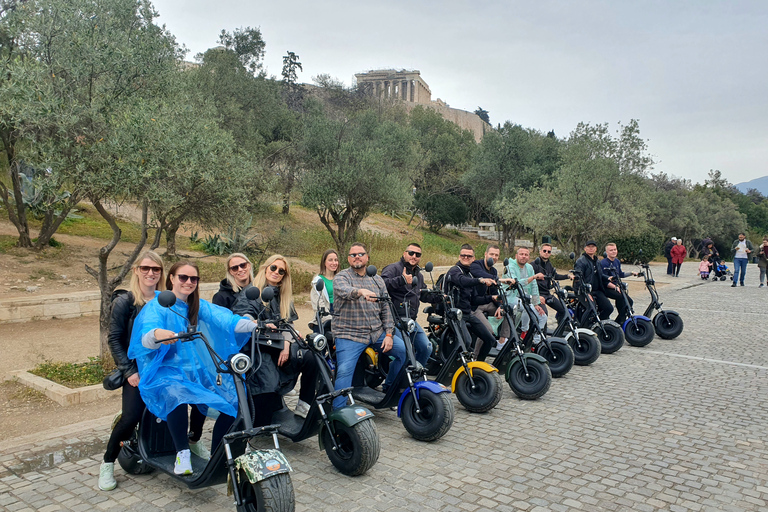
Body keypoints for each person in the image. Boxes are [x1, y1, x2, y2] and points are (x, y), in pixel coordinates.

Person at [128, 261, 256, 476]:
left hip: (196, 370)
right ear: (171, 278)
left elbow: (225, 319)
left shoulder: (198, 305)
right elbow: (147, 334)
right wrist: (159, 334)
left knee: (233, 398)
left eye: (193, 279)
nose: (189, 282)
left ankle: (220, 455)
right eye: (183, 277)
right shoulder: (159, 304)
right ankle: (182, 452)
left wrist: (255, 324)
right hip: (165, 369)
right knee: (176, 393)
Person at [99, 251, 165, 491]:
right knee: (131, 416)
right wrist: (128, 371)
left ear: (161, 273)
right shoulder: (125, 302)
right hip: (136, 371)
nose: (150, 273)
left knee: (179, 406)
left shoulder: (165, 300)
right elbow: (115, 339)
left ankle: (184, 448)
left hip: (162, 368)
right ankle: (107, 463)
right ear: (136, 270)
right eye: (145, 268)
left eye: (155, 269)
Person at [233, 255, 319, 422]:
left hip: (280, 344)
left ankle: (304, 404)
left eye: (281, 271)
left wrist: (286, 344)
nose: (276, 272)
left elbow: (289, 323)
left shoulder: (283, 296)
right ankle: (261, 419)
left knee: (311, 356)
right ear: (266, 268)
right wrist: (258, 323)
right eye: (273, 268)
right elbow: (244, 317)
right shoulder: (252, 292)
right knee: (268, 383)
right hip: (258, 346)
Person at [332, 242, 407, 409]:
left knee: (403, 351)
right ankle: (339, 412)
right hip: (349, 334)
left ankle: (388, 389)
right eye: (353, 255)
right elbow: (344, 290)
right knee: (344, 370)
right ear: (348, 259)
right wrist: (360, 291)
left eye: (360, 254)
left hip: (376, 333)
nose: (357, 257)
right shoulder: (342, 277)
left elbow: (386, 308)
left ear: (367, 257)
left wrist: (388, 334)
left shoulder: (377, 279)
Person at [444, 244, 499, 361]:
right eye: (463, 255)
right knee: (467, 341)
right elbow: (462, 281)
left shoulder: (470, 274)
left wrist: (492, 298)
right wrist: (480, 280)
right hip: (454, 315)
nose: (466, 257)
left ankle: (478, 364)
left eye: (469, 256)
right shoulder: (454, 271)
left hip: (467, 313)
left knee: (490, 340)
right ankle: (455, 364)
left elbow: (475, 300)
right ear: (459, 256)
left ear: (473, 258)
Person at [381, 243, 431, 366]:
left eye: (417, 254)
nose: (414, 256)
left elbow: (423, 294)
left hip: (410, 321)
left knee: (426, 347)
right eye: (411, 253)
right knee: (404, 350)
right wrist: (401, 280)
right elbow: (381, 284)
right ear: (404, 253)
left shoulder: (418, 275)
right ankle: (391, 384)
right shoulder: (393, 269)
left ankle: (412, 376)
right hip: (395, 320)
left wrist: (440, 297)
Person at [500, 247, 547, 346]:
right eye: (521, 254)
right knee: (527, 307)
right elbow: (516, 283)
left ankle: (537, 341)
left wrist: (536, 303)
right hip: (510, 296)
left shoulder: (529, 268)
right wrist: (533, 277)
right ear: (516, 256)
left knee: (543, 316)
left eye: (526, 255)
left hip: (525, 298)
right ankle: (524, 332)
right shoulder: (510, 266)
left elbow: (534, 286)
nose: (523, 256)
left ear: (529, 257)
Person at [468, 244, 503, 358]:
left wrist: (499, 305)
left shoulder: (494, 270)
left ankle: (502, 342)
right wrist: (494, 279)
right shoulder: (475, 265)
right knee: (488, 330)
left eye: (496, 255)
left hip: (486, 302)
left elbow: (494, 292)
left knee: (508, 311)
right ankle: (476, 356)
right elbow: (479, 274)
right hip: (475, 305)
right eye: (492, 254)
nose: (494, 257)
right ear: (485, 254)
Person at [531, 243, 573, 325]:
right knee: (543, 314)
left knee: (563, 310)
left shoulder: (549, 264)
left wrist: (568, 276)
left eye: (549, 251)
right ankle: (541, 335)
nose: (546, 253)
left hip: (547, 293)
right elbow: (528, 279)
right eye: (544, 251)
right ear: (540, 251)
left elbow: (555, 276)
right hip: (538, 294)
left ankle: (559, 333)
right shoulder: (534, 265)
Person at [574, 240, 616, 320]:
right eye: (589, 247)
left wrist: (607, 278)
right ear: (585, 248)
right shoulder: (581, 261)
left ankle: (598, 325)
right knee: (590, 309)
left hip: (597, 290)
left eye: (593, 247)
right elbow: (578, 278)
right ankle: (583, 329)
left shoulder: (597, 261)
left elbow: (599, 274)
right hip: (583, 291)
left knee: (609, 308)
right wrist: (586, 292)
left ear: (596, 249)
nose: (591, 248)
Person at [600, 243, 638, 324]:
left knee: (629, 301)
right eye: (611, 250)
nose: (613, 252)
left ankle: (621, 319)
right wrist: (615, 287)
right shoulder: (603, 263)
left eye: (615, 250)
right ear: (606, 252)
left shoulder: (617, 261)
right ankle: (619, 321)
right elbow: (604, 281)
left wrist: (631, 273)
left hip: (616, 287)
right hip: (606, 288)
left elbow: (620, 274)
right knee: (621, 297)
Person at [310, 249, 339, 329]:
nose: (334, 263)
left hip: (339, 313)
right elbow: (318, 304)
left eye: (336, 260)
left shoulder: (341, 279)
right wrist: (330, 319)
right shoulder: (317, 280)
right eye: (330, 260)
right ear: (324, 263)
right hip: (325, 314)